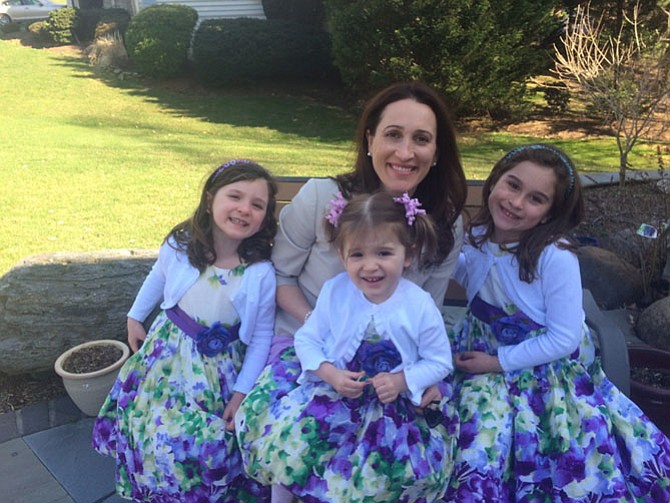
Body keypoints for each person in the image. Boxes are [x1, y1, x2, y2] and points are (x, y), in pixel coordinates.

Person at [443, 144, 670, 501]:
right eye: (512, 185)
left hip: (548, 371)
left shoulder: (554, 255)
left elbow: (563, 339)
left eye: (535, 199)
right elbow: (450, 269)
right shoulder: (476, 237)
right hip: (480, 351)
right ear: (494, 181)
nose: (516, 202)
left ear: (549, 214)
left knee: (566, 453)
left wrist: (497, 362)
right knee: (458, 431)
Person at [237, 190, 458, 502]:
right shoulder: (336, 291)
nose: (370, 266)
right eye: (358, 255)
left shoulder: (418, 305)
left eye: (384, 253)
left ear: (407, 255)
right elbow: (308, 338)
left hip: (390, 405)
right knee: (291, 444)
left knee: (377, 473)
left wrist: (401, 381)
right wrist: (329, 373)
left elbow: (439, 361)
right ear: (342, 256)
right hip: (336, 391)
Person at [92, 159, 278, 502]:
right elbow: (158, 276)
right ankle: (157, 489)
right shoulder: (181, 246)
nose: (244, 209)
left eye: (257, 204)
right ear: (210, 199)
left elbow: (262, 335)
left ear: (265, 217)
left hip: (221, 372)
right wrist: (135, 316)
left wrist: (240, 393)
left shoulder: (260, 272)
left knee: (208, 443)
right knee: (153, 429)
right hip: (167, 357)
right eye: (234, 196)